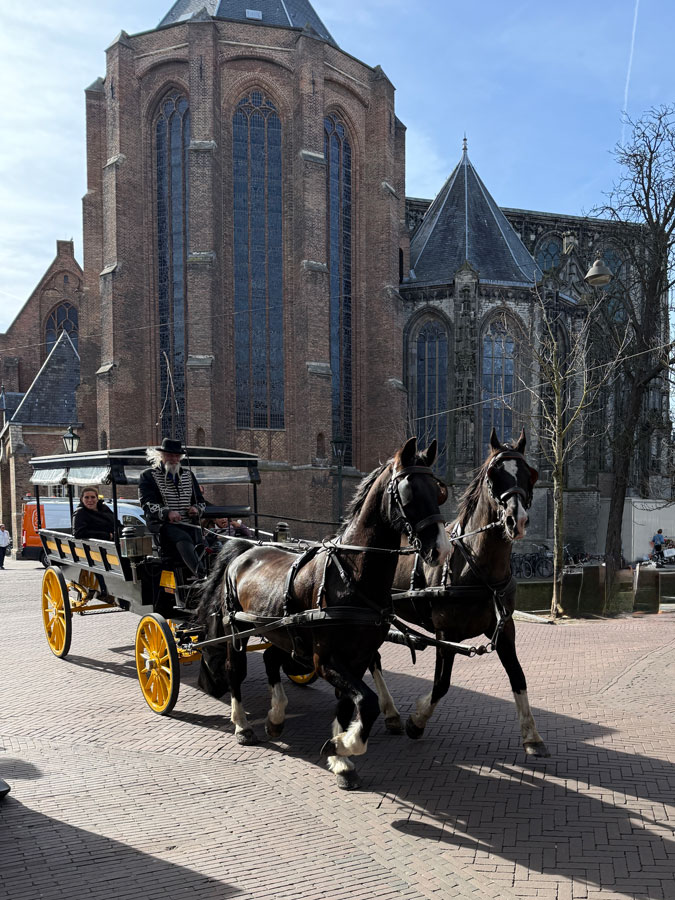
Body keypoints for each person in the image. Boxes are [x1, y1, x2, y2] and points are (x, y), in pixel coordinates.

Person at [138, 438, 206, 578]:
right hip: (163, 525)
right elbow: (146, 503)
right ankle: (201, 574)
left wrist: (196, 509)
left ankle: (211, 573)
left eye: (176, 456)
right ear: (161, 456)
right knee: (182, 537)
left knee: (202, 540)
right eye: (169, 455)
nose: (173, 459)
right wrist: (166, 512)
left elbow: (200, 501)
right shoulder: (148, 475)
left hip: (188, 522)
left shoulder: (188, 475)